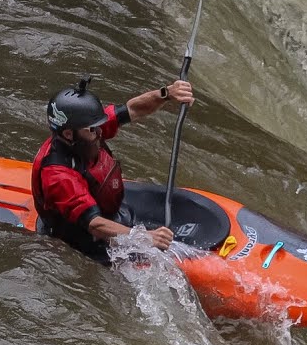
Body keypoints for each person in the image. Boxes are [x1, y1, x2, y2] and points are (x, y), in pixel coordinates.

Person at [31, 75, 195, 263]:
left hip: (108, 213)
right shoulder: (58, 175)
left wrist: (166, 93)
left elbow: (132, 109)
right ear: (68, 133)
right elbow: (95, 225)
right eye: (93, 129)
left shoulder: (85, 131)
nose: (100, 132)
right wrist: (146, 238)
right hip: (82, 237)